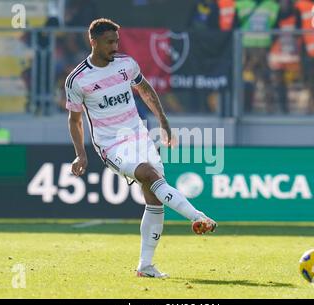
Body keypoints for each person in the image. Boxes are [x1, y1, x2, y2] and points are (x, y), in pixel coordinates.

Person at [65, 18, 217, 279]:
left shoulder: (126, 64)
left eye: (116, 41)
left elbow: (145, 90)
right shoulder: (77, 79)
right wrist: (81, 153)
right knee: (148, 174)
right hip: (111, 144)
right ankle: (197, 216)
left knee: (154, 196)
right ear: (94, 42)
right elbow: (75, 119)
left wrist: (164, 121)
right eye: (109, 42)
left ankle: (145, 266)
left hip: (139, 136)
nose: (115, 46)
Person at [235, 0, 280, 113]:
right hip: (249, 48)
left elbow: (276, 26)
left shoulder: (271, 5)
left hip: (260, 48)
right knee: (249, 79)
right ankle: (247, 108)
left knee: (263, 79)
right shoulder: (242, 4)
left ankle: (268, 108)